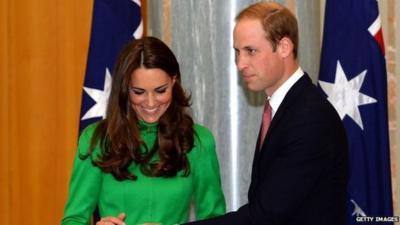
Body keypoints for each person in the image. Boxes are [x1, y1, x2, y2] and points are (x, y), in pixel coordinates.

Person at [184, 2, 348, 225]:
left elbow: (264, 216)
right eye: (237, 52)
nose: (240, 64)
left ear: (284, 47)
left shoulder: (310, 118)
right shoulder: (286, 107)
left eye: (251, 51)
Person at [61, 36, 226, 225]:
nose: (150, 102)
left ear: (174, 82)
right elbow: (73, 219)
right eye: (138, 92)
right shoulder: (95, 139)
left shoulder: (199, 141)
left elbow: (216, 218)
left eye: (160, 90)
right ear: (124, 89)